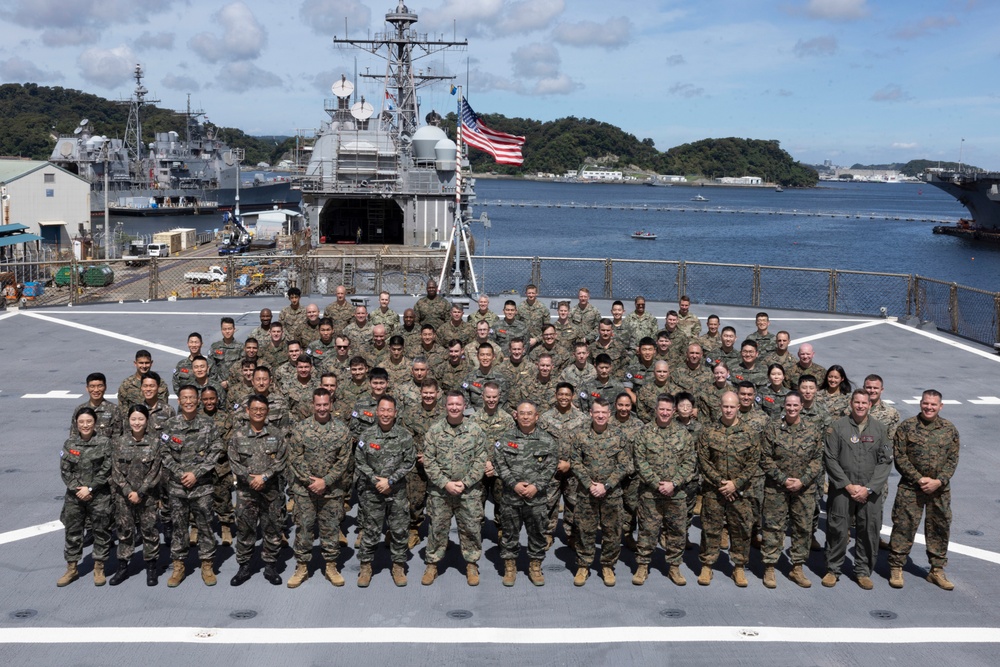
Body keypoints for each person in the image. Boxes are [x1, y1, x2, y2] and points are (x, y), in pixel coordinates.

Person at [887, 389, 960, 590]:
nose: (929, 407)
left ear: (940, 406)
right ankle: (896, 566)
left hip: (939, 490)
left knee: (940, 527)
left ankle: (936, 570)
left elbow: (953, 459)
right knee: (904, 525)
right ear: (921, 403)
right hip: (911, 488)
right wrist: (919, 479)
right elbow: (900, 457)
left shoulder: (949, 429)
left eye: (933, 404)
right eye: (926, 403)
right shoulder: (907, 427)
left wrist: (939, 481)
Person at [822, 390, 893, 590]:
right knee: (837, 529)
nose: (860, 406)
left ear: (870, 405)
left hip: (870, 492)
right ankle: (833, 569)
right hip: (843, 489)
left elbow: (885, 462)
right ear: (851, 403)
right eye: (857, 402)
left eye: (864, 403)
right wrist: (847, 485)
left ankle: (862, 571)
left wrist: (869, 488)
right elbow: (830, 458)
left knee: (869, 530)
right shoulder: (837, 427)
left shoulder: (880, 429)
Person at [285, 388, 354, 588]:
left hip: (332, 491)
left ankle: (331, 566)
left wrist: (326, 481)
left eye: (325, 404)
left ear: (331, 404)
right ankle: (301, 566)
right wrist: (311, 481)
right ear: (313, 405)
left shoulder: (341, 430)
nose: (322, 408)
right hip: (305, 490)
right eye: (318, 405)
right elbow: (295, 458)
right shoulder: (301, 429)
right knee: (304, 528)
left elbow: (344, 461)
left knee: (331, 529)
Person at [420, 391, 489, 586]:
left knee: (471, 528)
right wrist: (445, 483)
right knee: (437, 529)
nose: (454, 408)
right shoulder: (434, 431)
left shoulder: (475, 431)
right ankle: (432, 564)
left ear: (464, 406)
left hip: (468, 491)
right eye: (451, 404)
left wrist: (465, 482)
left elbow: (480, 459)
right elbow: (429, 461)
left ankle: (471, 564)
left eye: (458, 404)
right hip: (440, 491)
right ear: (445, 406)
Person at [160, 385, 224, 588]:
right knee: (179, 527)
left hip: (202, 487)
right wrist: (181, 474)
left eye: (192, 398)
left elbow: (216, 450)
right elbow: (164, 453)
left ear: (198, 400)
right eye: (184, 398)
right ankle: (179, 566)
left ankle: (207, 564)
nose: (188, 401)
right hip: (178, 488)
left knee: (205, 526)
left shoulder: (208, 424)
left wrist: (196, 474)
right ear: (178, 401)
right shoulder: (170, 426)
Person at [696, 391, 761, 587]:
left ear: (738, 407)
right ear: (720, 406)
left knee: (741, 528)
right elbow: (703, 460)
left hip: (740, 491)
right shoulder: (708, 432)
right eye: (725, 406)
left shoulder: (749, 433)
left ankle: (739, 567)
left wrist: (735, 483)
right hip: (714, 491)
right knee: (710, 528)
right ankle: (707, 565)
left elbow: (753, 462)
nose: (729, 410)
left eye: (732, 406)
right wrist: (721, 483)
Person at [631, 394, 696, 586]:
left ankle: (674, 567)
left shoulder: (683, 434)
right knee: (647, 530)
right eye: (662, 409)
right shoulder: (645, 432)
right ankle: (642, 566)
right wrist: (656, 483)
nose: (665, 413)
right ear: (656, 410)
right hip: (650, 493)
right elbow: (639, 460)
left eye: (668, 409)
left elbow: (690, 461)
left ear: (674, 411)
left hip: (676, 493)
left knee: (676, 531)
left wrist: (674, 483)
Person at [760, 392, 823, 589]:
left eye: (796, 405)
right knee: (773, 527)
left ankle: (797, 567)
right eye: (789, 405)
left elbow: (817, 459)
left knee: (802, 528)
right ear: (784, 406)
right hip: (777, 488)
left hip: (804, 489)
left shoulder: (812, 430)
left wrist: (802, 481)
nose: (792, 408)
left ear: (802, 406)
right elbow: (765, 458)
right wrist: (783, 479)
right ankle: (770, 566)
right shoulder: (772, 429)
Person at [494, 400, 558, 586]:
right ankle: (510, 566)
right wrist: (514, 484)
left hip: (536, 498)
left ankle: (535, 566)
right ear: (516, 415)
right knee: (509, 533)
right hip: (510, 497)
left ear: (536, 416)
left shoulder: (547, 440)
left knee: (538, 533)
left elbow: (551, 466)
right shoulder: (505, 439)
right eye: (522, 413)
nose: (525, 416)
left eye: (529, 413)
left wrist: (535, 486)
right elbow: (499, 463)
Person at [355, 396, 416, 587]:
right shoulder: (366, 436)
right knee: (371, 529)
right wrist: (375, 480)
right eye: (382, 410)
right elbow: (360, 460)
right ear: (376, 412)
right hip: (372, 491)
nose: (386, 414)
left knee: (398, 529)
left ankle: (398, 566)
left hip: (396, 490)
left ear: (395, 413)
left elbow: (409, 461)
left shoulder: (404, 436)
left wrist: (390, 480)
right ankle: (365, 566)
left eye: (390, 410)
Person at [228, 394, 288, 587]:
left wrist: (264, 477)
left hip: (271, 490)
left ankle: (270, 566)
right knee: (245, 529)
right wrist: (249, 477)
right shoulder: (238, 435)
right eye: (255, 409)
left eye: (262, 409)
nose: (258, 412)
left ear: (267, 412)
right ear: (247, 411)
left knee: (272, 528)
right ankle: (244, 566)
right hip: (246, 492)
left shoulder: (277, 434)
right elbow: (234, 461)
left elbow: (281, 460)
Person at [570, 399, 629, 587]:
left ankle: (607, 565)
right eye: (597, 412)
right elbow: (575, 462)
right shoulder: (580, 436)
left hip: (611, 493)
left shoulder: (619, 436)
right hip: (587, 493)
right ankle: (583, 565)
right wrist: (589, 484)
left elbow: (623, 465)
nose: (601, 416)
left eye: (604, 412)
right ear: (590, 413)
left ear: (609, 414)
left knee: (612, 531)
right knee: (584, 530)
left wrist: (607, 485)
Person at [57, 407, 113, 587]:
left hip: (98, 495)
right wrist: (77, 489)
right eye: (81, 422)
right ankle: (72, 568)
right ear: (76, 424)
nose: (85, 425)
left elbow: (107, 469)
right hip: (75, 497)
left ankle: (99, 567)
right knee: (72, 532)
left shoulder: (104, 443)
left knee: (100, 532)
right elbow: (65, 470)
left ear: (94, 423)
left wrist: (90, 488)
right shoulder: (69, 444)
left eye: (89, 421)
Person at [109, 404, 162, 587]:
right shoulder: (118, 442)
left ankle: (151, 567)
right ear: (128, 420)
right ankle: (123, 567)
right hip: (124, 497)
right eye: (133, 419)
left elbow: (156, 471)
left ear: (147, 420)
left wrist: (140, 492)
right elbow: (115, 471)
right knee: (124, 532)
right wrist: (127, 491)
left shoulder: (155, 443)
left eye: (141, 419)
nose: (137, 423)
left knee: (150, 531)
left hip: (147, 497)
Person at [71, 372, 121, 439]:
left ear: (105, 387)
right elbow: (74, 436)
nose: (96, 390)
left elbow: (117, 437)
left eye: (100, 386)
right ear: (87, 388)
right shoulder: (80, 410)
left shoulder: (114, 409)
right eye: (92, 386)